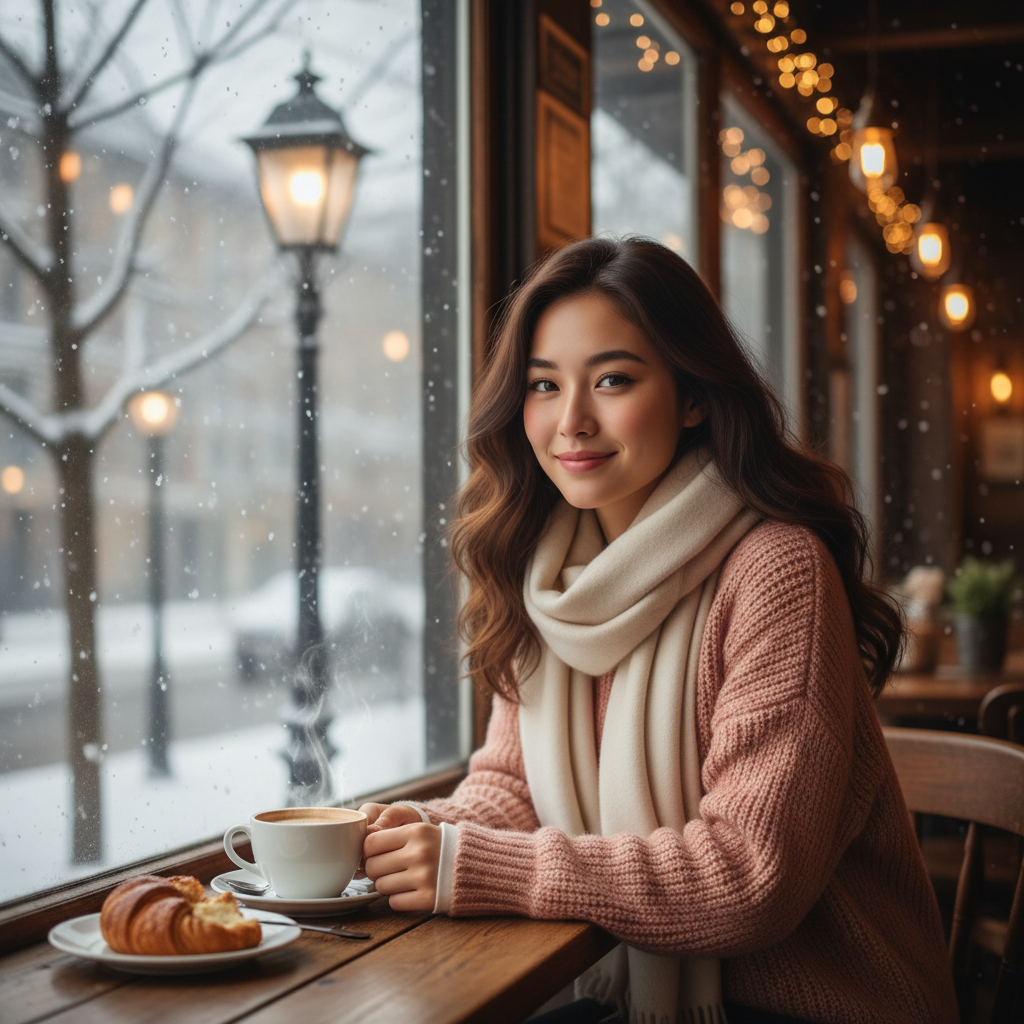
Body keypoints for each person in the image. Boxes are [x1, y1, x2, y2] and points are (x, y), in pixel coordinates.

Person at [360, 237, 957, 1024]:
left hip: (814, 1007)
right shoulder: (549, 578)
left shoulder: (777, 570)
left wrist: (478, 868)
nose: (571, 421)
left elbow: (750, 879)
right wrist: (419, 836)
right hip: (638, 992)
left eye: (612, 380)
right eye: (544, 385)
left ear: (693, 396)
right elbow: (511, 789)